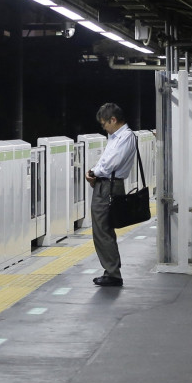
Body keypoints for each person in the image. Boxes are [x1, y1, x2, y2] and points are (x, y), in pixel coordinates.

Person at [85, 103, 137, 287]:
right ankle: (111, 270)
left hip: (108, 186)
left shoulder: (126, 137)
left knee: (103, 230)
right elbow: (106, 161)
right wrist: (95, 173)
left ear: (113, 120)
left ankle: (113, 273)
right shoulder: (115, 137)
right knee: (103, 229)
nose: (103, 127)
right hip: (105, 184)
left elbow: (110, 164)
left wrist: (94, 172)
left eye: (104, 123)